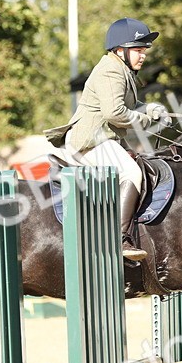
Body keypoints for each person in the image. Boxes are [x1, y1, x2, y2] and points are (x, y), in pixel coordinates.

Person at [44, 17, 170, 261]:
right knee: (131, 173)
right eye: (138, 50)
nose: (143, 55)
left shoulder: (123, 69)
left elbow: (129, 105)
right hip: (91, 141)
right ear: (120, 50)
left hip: (104, 140)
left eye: (144, 50)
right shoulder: (111, 70)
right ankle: (121, 239)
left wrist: (150, 109)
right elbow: (115, 113)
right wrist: (146, 120)